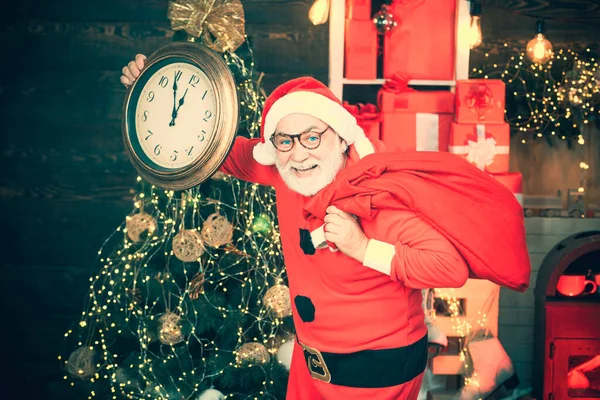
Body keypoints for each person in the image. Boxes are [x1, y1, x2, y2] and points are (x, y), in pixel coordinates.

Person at [121, 56, 530, 400]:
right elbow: (217, 151)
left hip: (374, 369)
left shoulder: (375, 191)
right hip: (312, 361)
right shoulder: (284, 171)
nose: (299, 153)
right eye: (286, 140)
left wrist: (362, 246)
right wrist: (151, 98)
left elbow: (448, 268)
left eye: (312, 137)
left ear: (339, 137)